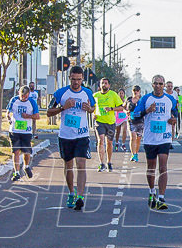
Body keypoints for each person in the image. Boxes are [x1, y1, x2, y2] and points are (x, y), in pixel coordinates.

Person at [47, 65, 96, 210]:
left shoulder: (87, 92)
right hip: (66, 135)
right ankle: (71, 192)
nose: (76, 82)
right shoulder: (60, 93)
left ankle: (80, 197)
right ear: (69, 78)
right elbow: (49, 112)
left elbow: (93, 108)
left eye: (79, 80)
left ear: (82, 79)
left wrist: (89, 109)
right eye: (74, 79)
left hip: (82, 134)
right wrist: (63, 108)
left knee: (81, 164)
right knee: (68, 166)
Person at [136, 75, 178, 210]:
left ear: (164, 85)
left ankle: (161, 197)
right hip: (150, 138)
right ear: (152, 85)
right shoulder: (146, 99)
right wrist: (147, 111)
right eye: (156, 83)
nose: (158, 86)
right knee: (151, 167)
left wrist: (173, 120)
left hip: (164, 137)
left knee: (163, 166)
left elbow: (175, 113)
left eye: (161, 83)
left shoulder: (170, 99)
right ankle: (151, 191)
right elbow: (134, 115)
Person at [7, 85, 40, 181]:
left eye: (25, 96)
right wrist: (8, 117)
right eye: (22, 96)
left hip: (26, 131)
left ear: (28, 95)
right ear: (19, 93)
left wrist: (28, 116)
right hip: (14, 130)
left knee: (26, 151)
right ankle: (16, 172)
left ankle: (26, 166)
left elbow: (37, 116)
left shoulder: (32, 102)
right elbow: (7, 112)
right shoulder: (14, 100)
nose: (23, 98)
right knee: (15, 151)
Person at [93, 77, 124, 172]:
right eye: (102, 83)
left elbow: (121, 107)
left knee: (109, 143)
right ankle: (101, 163)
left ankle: (109, 162)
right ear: (99, 85)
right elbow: (92, 107)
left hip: (110, 123)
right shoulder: (96, 95)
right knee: (100, 141)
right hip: (99, 122)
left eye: (106, 83)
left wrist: (111, 109)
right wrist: (93, 114)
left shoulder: (113, 95)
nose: (104, 85)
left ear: (109, 85)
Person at [127, 85, 144, 162]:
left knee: (138, 138)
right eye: (134, 90)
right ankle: (133, 154)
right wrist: (126, 112)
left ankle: (136, 153)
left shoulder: (142, 100)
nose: (135, 92)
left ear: (139, 91)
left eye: (137, 90)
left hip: (140, 121)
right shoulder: (129, 99)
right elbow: (123, 107)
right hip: (131, 121)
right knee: (132, 137)